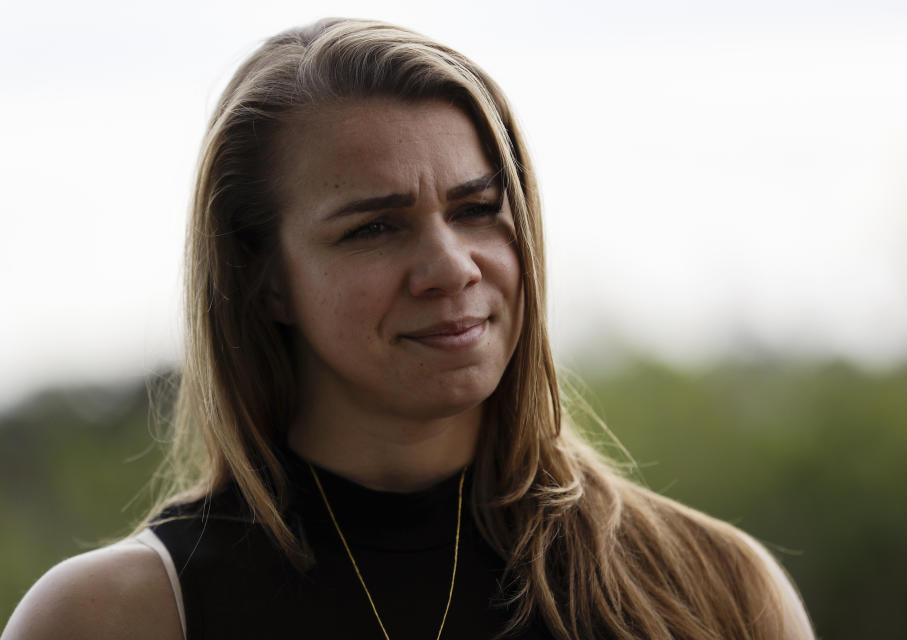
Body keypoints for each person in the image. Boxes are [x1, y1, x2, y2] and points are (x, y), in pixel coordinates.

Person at [2, 18, 814, 640]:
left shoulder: (712, 588)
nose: (452, 265)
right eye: (375, 228)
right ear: (264, 279)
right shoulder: (119, 616)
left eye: (477, 210)